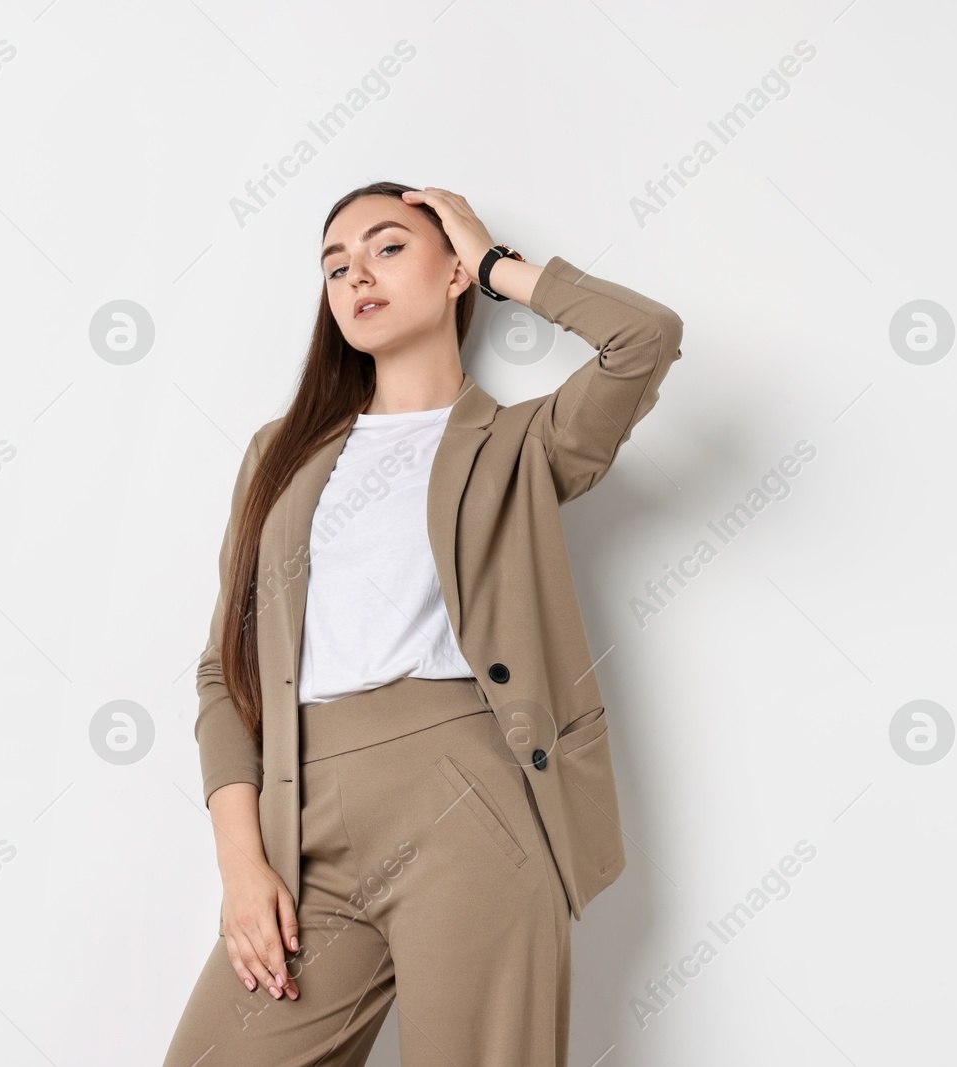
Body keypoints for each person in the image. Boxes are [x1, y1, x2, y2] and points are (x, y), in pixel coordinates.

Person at [163, 181, 685, 1066]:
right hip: (302, 819)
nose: (356, 274)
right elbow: (226, 671)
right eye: (335, 266)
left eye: (388, 247)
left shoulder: (522, 443)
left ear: (451, 273)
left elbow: (645, 340)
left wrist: (495, 263)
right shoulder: (279, 454)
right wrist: (240, 862)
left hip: (468, 802)